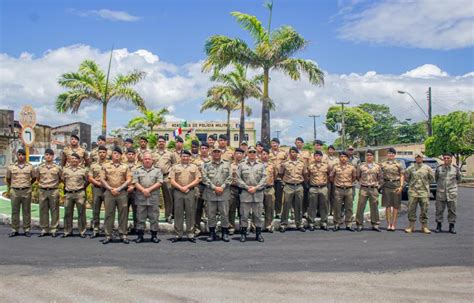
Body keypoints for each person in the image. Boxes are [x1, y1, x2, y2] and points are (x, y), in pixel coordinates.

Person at [100, 147, 132, 244]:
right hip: (109, 193)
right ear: (112, 155)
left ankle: (123, 235)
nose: (116, 155)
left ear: (121, 155)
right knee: (109, 214)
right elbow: (102, 179)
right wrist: (110, 189)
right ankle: (108, 235)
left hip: (121, 192)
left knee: (123, 214)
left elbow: (129, 179)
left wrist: (119, 188)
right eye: (114, 153)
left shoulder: (125, 166)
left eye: (118, 153)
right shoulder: (105, 166)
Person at [169, 150, 202, 243]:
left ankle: (190, 234)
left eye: (187, 156)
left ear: (189, 157)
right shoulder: (175, 167)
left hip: (190, 191)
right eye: (183, 156)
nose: (185, 158)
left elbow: (197, 180)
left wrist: (187, 187)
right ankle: (178, 234)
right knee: (178, 213)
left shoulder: (194, 167)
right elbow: (171, 180)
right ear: (180, 157)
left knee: (190, 213)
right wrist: (180, 188)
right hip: (178, 192)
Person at [236, 146, 267, 242]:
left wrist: (256, 188)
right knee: (244, 215)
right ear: (247, 153)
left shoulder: (261, 165)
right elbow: (238, 178)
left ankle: (258, 234)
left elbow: (264, 179)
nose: (252, 153)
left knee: (258, 215)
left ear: (256, 153)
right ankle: (243, 234)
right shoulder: (241, 165)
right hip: (246, 193)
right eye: (250, 152)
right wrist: (246, 187)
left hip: (257, 193)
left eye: (254, 152)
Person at [202, 148, 232, 242]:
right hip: (211, 193)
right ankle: (212, 233)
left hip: (224, 193)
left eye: (218, 151)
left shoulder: (227, 164)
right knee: (211, 214)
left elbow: (230, 177)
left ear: (221, 153)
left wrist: (222, 187)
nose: (216, 153)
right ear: (211, 153)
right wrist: (214, 188)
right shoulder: (206, 165)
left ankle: (224, 233)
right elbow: (204, 178)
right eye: (214, 152)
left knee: (224, 214)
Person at [133, 152, 163, 243]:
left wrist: (148, 190)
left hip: (153, 198)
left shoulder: (157, 171)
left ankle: (154, 236)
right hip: (141, 197)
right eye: (145, 159)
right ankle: (140, 236)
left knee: (154, 218)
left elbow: (160, 182)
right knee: (140, 218)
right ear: (142, 160)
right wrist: (143, 190)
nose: (147, 160)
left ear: (152, 160)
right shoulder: (137, 170)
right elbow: (135, 182)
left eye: (149, 159)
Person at [6, 149, 36, 237]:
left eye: (22, 155)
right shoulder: (11, 167)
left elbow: (34, 178)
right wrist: (13, 185)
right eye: (19, 155)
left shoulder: (30, 167)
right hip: (15, 191)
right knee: (15, 211)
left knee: (26, 211)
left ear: (25, 156)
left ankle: (27, 229)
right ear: (17, 156)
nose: (20, 156)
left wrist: (28, 184)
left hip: (26, 191)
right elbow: (8, 179)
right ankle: (15, 229)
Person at [404, 153, 435, 234]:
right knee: (411, 209)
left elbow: (431, 179)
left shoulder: (427, 168)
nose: (418, 159)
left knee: (424, 209)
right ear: (415, 158)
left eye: (420, 157)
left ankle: (424, 226)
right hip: (413, 192)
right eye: (417, 157)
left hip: (424, 192)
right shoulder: (410, 168)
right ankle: (411, 226)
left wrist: (425, 184)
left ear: (422, 158)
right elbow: (406, 178)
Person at [279, 147, 308, 232]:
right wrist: (286, 181)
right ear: (289, 153)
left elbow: (305, 174)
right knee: (286, 206)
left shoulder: (302, 163)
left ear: (297, 154)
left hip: (299, 186)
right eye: (291, 152)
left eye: (295, 152)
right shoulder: (285, 163)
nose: (293, 153)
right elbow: (280, 174)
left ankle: (299, 224)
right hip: (288, 186)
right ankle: (283, 224)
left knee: (298, 206)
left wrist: (301, 181)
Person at [36, 148, 62, 237]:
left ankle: (54, 229)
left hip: (53, 191)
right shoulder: (40, 167)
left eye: (50, 155)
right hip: (43, 190)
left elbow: (61, 179)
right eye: (47, 154)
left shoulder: (57, 167)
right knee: (43, 210)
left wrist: (54, 185)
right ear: (44, 156)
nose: (48, 156)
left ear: (53, 156)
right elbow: (37, 178)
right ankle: (44, 229)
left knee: (54, 210)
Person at [61, 153, 88, 238]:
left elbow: (86, 180)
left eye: (76, 159)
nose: (74, 160)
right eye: (72, 158)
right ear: (69, 160)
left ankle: (82, 231)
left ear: (79, 160)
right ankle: (67, 231)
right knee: (67, 213)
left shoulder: (83, 170)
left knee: (81, 213)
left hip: (79, 193)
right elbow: (63, 180)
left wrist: (82, 188)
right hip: (69, 193)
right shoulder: (65, 170)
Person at [355, 150, 383, 232]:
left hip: (373, 189)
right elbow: (357, 176)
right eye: (367, 155)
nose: (369, 157)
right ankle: (359, 224)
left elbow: (380, 178)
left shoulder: (377, 166)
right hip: (364, 188)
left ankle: (375, 224)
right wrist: (362, 183)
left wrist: (378, 186)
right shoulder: (361, 166)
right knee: (360, 206)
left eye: (370, 155)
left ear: (373, 156)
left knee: (374, 207)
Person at [435, 152, 461, 234]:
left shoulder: (455, 169)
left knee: (452, 210)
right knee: (439, 210)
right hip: (441, 193)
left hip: (452, 193)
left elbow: (459, 179)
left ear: (451, 159)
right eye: (444, 158)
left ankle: (451, 226)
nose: (446, 159)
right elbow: (436, 178)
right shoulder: (439, 168)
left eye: (448, 158)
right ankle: (439, 226)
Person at [330, 151, 357, 232]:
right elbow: (331, 177)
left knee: (349, 208)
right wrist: (337, 183)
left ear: (347, 158)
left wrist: (348, 183)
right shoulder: (335, 167)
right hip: (338, 189)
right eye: (341, 157)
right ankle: (336, 224)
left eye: (345, 157)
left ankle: (348, 224)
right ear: (339, 158)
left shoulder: (351, 167)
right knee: (337, 208)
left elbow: (354, 177)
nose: (343, 158)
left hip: (349, 189)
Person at [152, 135, 176, 223]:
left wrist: (170, 171)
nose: (161, 143)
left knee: (168, 197)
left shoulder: (170, 153)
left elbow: (174, 164)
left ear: (165, 143)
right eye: (159, 141)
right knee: (155, 197)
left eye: (163, 141)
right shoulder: (153, 154)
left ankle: (168, 216)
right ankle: (154, 216)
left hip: (166, 177)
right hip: (155, 177)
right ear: (157, 143)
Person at [380, 147, 404, 231]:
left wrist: (401, 186)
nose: (391, 155)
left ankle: (393, 224)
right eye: (389, 153)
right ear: (387, 154)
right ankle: (388, 224)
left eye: (392, 153)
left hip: (396, 185)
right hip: (386, 185)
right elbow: (379, 174)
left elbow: (402, 175)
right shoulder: (383, 164)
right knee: (387, 206)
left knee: (395, 206)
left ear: (394, 155)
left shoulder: (398, 164)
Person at [88, 145, 108, 238]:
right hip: (97, 188)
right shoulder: (93, 165)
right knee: (96, 209)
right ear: (97, 153)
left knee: (109, 210)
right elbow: (90, 178)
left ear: (106, 153)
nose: (102, 154)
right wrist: (99, 184)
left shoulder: (110, 164)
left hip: (107, 189)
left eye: (104, 152)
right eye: (100, 152)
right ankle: (96, 229)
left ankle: (108, 229)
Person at [307, 151, 330, 231]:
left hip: (323, 187)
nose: (318, 157)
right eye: (316, 156)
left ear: (322, 157)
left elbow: (329, 175)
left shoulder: (326, 166)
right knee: (312, 206)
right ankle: (311, 223)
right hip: (313, 188)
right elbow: (307, 176)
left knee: (324, 205)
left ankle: (324, 222)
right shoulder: (310, 166)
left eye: (319, 156)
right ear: (314, 157)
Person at [192, 142, 211, 235]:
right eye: (202, 148)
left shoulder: (212, 160)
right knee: (198, 207)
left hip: (209, 186)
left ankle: (210, 228)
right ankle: (197, 228)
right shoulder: (195, 161)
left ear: (208, 150)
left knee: (210, 208)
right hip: (199, 186)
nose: (204, 150)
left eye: (205, 148)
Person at [269, 138, 287, 218]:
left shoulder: (283, 153)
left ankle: (278, 212)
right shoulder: (268, 153)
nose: (274, 145)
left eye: (276, 143)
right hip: (270, 178)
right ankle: (271, 211)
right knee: (271, 196)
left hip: (280, 177)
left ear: (278, 144)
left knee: (279, 196)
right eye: (273, 143)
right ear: (271, 144)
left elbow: (287, 162)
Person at [260, 148, 277, 232]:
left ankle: (269, 225)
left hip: (269, 188)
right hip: (259, 189)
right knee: (257, 208)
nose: (265, 155)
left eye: (266, 154)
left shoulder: (272, 165)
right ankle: (255, 226)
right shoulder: (257, 164)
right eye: (263, 154)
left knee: (269, 208)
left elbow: (275, 175)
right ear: (260, 155)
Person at [229, 148, 245, 235]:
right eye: (237, 153)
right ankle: (231, 227)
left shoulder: (246, 165)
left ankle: (243, 226)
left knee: (242, 209)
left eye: (241, 153)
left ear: (243, 155)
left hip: (243, 189)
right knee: (231, 208)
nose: (239, 155)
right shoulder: (230, 165)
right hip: (233, 188)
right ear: (234, 155)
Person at [125, 148, 140, 234]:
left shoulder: (139, 166)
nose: (130, 156)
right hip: (125, 190)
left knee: (136, 210)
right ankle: (123, 228)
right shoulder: (123, 165)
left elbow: (139, 178)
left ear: (135, 155)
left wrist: (133, 186)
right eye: (129, 154)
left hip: (136, 191)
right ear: (126, 155)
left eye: (132, 154)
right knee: (124, 211)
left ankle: (137, 228)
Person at [326, 145, 339, 216]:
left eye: (332, 149)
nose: (331, 151)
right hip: (327, 178)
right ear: (328, 151)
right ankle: (327, 211)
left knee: (334, 195)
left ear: (334, 151)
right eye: (329, 149)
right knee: (327, 195)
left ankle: (333, 210)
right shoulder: (325, 158)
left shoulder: (337, 159)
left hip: (334, 179)